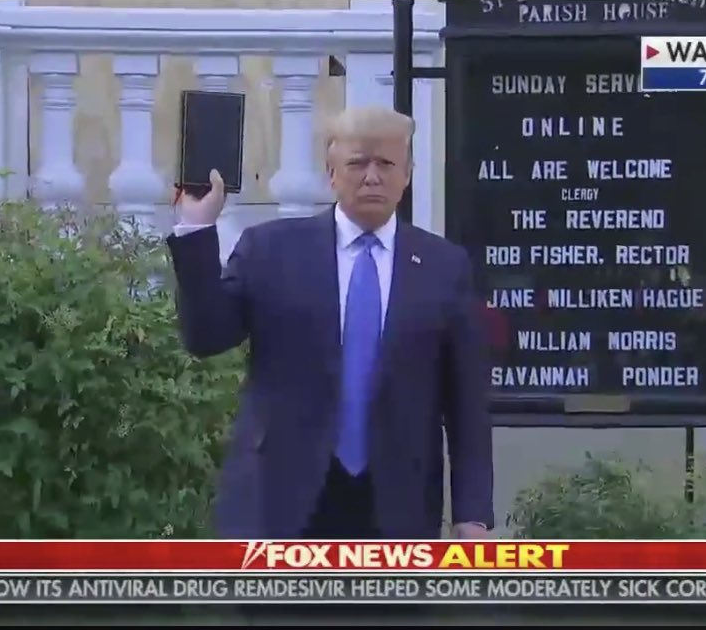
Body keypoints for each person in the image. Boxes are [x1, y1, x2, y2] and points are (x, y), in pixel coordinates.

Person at [166, 105, 494, 541]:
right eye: (358, 163)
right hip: (278, 505)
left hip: (397, 509)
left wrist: (472, 514)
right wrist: (196, 228)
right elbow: (206, 336)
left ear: (408, 173)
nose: (372, 176)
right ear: (331, 172)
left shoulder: (443, 266)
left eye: (386, 164)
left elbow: (466, 402)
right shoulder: (272, 250)